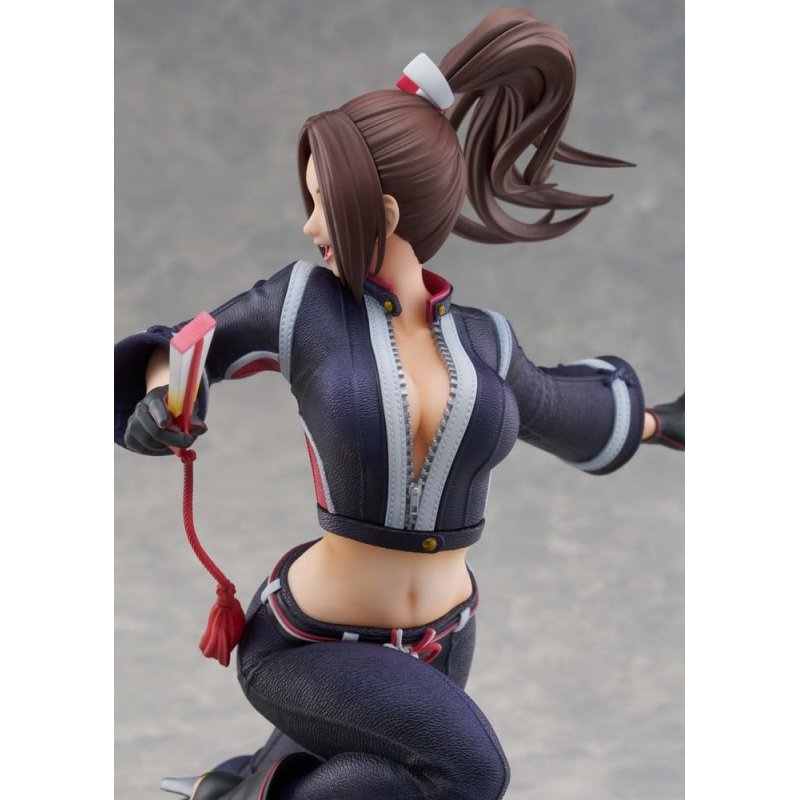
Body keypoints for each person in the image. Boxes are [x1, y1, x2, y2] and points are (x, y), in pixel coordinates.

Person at [115, 9, 683, 799]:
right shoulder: (304, 305)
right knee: (469, 773)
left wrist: (663, 423)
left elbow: (558, 409)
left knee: (393, 784)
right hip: (310, 643)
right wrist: (159, 396)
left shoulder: (485, 341)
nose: (310, 225)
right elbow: (187, 344)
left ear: (381, 211)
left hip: (442, 642)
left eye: (323, 202)